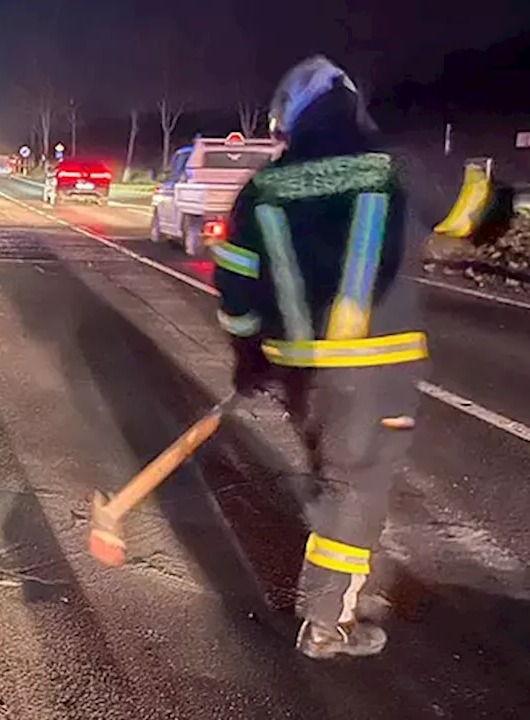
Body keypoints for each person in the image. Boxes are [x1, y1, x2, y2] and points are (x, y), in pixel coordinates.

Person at [212, 56, 429, 660]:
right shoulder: (393, 170)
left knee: (336, 481)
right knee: (356, 487)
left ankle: (334, 596)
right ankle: (327, 621)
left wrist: (248, 352)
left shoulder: (263, 188)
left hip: (301, 372)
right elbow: (474, 212)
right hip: (376, 369)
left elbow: (235, 284)